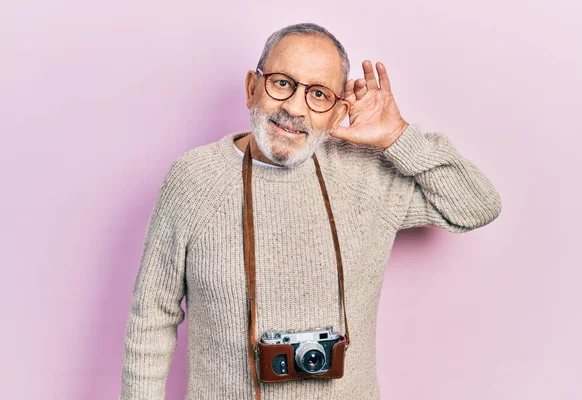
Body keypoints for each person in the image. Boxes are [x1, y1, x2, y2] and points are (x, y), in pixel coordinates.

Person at [119, 22, 502, 400]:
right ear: (252, 88)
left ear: (337, 113)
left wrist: (398, 137)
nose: (295, 108)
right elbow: (152, 318)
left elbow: (476, 205)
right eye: (282, 83)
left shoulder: (364, 174)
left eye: (318, 94)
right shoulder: (195, 178)